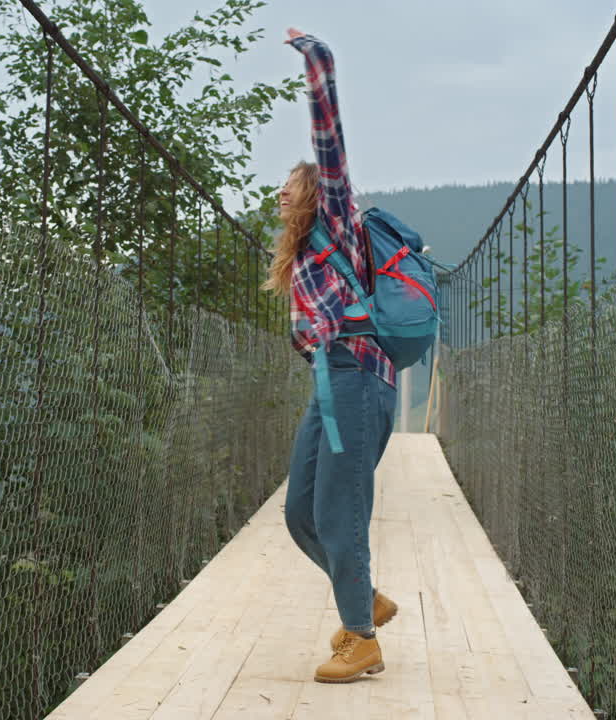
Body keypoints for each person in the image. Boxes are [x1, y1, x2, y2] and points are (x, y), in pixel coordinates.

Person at [261, 27, 399, 684]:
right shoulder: (303, 254)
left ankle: (362, 636)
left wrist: (316, 61)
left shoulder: (336, 218)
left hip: (357, 378)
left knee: (338, 516)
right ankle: (363, 596)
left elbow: (328, 140)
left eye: (289, 184)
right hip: (328, 383)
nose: (280, 193)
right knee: (299, 515)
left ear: (314, 191)